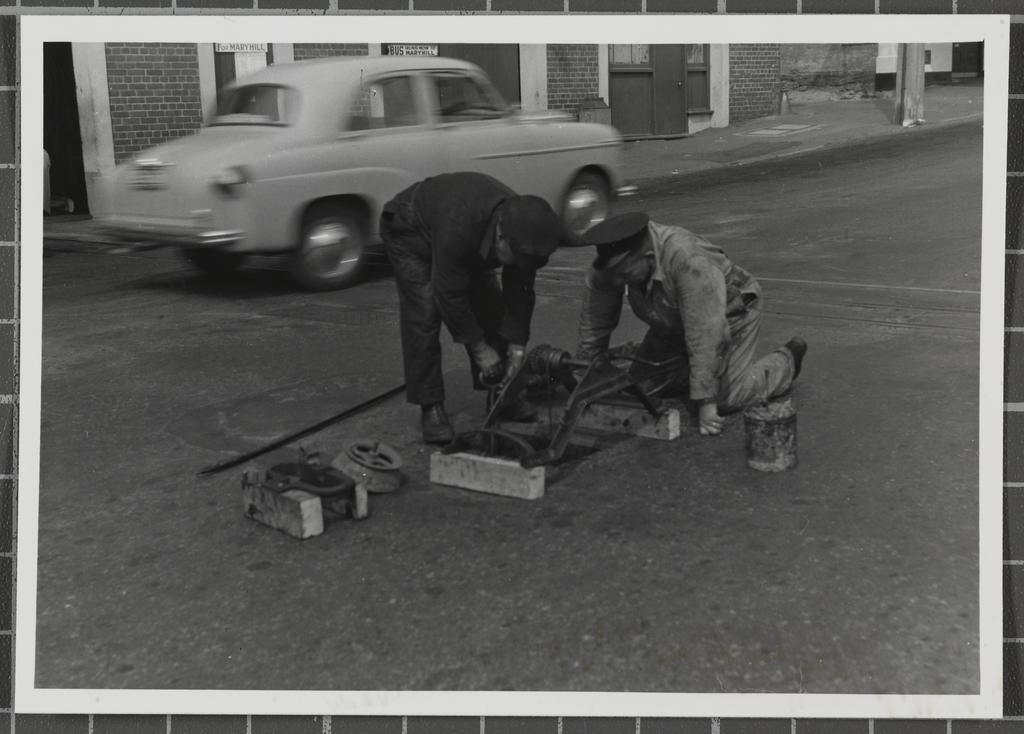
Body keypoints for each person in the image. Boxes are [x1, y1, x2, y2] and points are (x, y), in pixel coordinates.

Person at [576, 211, 807, 436]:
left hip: (730, 313)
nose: (617, 282)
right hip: (672, 319)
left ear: (649, 257)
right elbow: (594, 324)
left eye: (625, 275)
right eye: (614, 275)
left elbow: (707, 332)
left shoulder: (688, 261)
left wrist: (706, 401)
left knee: (726, 399)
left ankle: (786, 361)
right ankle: (690, 367)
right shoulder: (612, 267)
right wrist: (585, 375)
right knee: (642, 389)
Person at [380, 172, 564, 444]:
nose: (520, 266)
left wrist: (516, 349)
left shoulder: (523, 229)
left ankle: (502, 396)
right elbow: (449, 294)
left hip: (461, 232)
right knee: (424, 313)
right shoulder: (460, 225)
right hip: (410, 229)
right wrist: (481, 351)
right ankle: (430, 406)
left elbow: (521, 295)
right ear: (501, 238)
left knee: (490, 304)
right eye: (517, 259)